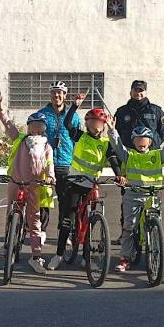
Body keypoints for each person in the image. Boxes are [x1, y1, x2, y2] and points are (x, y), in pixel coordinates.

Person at [47, 92, 121, 271]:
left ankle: (86, 257)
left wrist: (119, 174)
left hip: (91, 185)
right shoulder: (80, 136)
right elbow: (66, 123)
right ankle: (58, 255)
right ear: (87, 124)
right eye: (92, 123)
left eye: (99, 123)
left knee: (89, 222)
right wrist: (74, 106)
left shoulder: (105, 143)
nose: (96, 126)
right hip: (74, 182)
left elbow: (112, 160)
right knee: (68, 219)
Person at [108, 119, 164, 273]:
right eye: (138, 139)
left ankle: (158, 259)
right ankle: (125, 258)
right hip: (133, 195)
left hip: (152, 195)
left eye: (144, 139)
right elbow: (117, 146)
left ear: (150, 142)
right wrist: (112, 131)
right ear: (134, 142)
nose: (141, 142)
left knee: (155, 227)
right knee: (129, 226)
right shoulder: (129, 155)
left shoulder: (157, 155)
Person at [0, 93, 55, 273]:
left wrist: (50, 177)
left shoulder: (46, 146)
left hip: (34, 185)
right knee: (10, 213)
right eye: (33, 126)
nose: (36, 130)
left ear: (43, 129)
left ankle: (36, 257)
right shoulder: (19, 139)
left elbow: (49, 164)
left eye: (39, 127)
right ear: (28, 127)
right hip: (15, 182)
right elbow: (7, 124)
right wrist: (0, 109)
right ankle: (8, 244)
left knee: (34, 221)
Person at [113, 80, 164, 244]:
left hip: (149, 160)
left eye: (141, 91)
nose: (139, 93)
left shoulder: (156, 111)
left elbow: (162, 133)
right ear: (131, 92)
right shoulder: (122, 112)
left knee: (151, 203)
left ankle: (149, 237)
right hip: (129, 159)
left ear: (145, 92)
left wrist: (151, 148)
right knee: (128, 200)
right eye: (136, 90)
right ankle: (126, 233)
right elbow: (116, 133)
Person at [38, 81, 81, 236]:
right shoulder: (42, 114)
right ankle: (41, 231)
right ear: (50, 95)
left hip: (65, 162)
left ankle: (63, 231)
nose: (56, 95)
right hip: (45, 163)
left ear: (65, 95)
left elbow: (78, 140)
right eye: (54, 92)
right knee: (44, 199)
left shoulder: (73, 116)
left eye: (60, 92)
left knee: (65, 201)